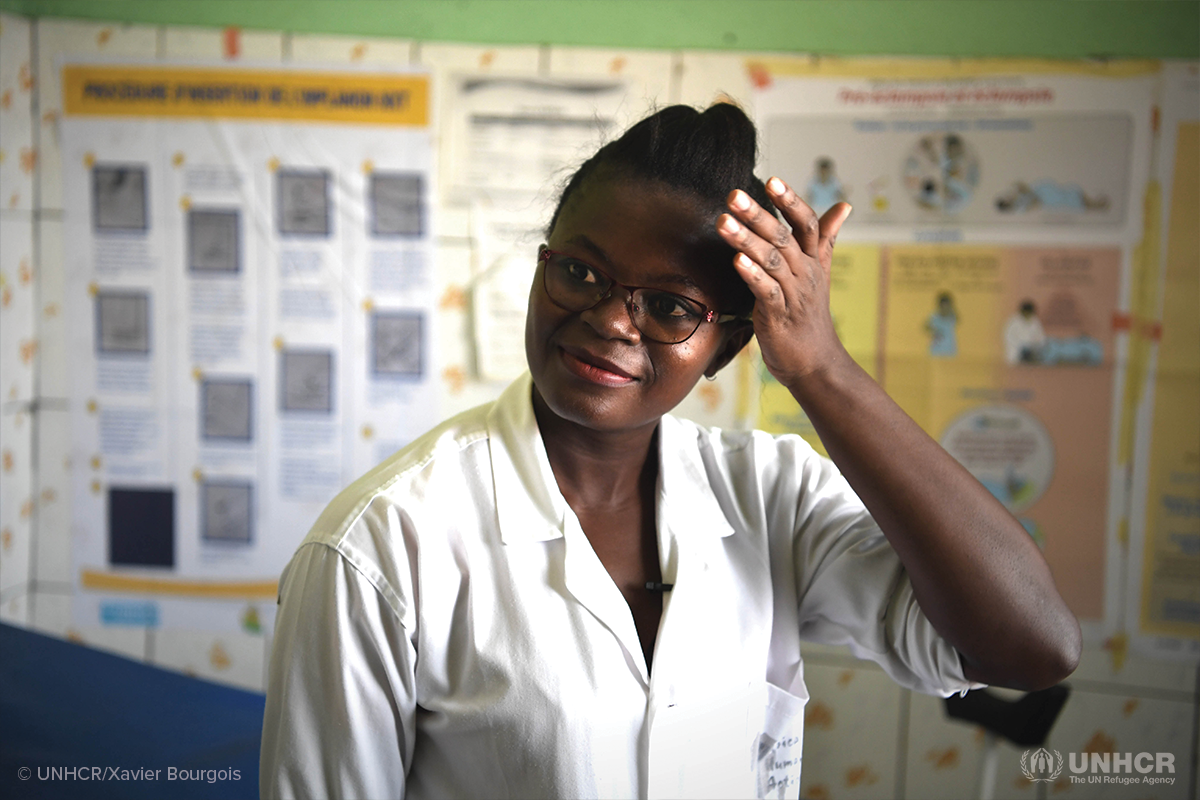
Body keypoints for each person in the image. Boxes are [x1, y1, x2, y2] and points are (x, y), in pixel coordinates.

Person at [260, 104, 1080, 799]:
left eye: (669, 305)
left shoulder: (772, 496)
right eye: (581, 272)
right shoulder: (380, 547)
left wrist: (822, 367)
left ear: (725, 347)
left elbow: (1030, 647)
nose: (613, 321)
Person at [926, 291, 959, 357]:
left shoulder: (952, 316)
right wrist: (934, 331)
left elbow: (957, 319)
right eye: (943, 306)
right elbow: (926, 327)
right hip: (936, 350)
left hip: (950, 350)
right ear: (939, 305)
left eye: (947, 305)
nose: (945, 308)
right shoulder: (934, 317)